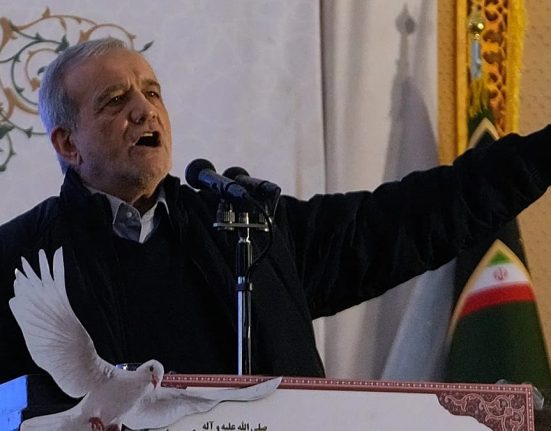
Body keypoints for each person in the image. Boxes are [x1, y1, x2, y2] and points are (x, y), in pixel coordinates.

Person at [0, 37, 550, 384]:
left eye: (152, 93)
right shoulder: (16, 257)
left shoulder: (251, 229)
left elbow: (406, 218)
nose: (146, 110)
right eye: (116, 100)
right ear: (67, 144)